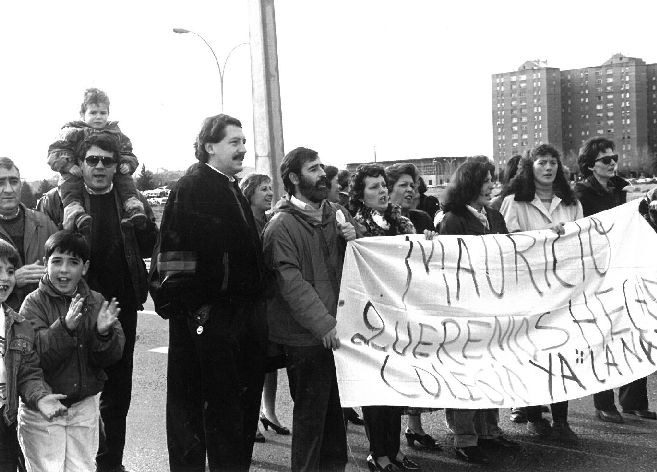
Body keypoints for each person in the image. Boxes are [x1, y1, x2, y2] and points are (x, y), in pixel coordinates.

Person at [37, 133, 157, 472]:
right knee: (71, 390)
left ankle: (110, 464)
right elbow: (44, 253)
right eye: (93, 160)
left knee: (118, 392)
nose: (100, 166)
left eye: (107, 160)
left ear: (116, 165)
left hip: (121, 308)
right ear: (80, 163)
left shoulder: (130, 199)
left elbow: (151, 245)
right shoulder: (57, 200)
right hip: (73, 307)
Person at [158, 114, 268, 471]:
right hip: (206, 320)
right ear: (210, 146)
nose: (243, 148)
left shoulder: (228, 185)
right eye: (234, 141)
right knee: (194, 413)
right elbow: (173, 258)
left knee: (231, 415)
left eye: (243, 141)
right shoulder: (191, 187)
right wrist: (195, 309)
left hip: (236, 320)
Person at [262, 147, 356, 471]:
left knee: (335, 420)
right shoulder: (281, 227)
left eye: (321, 168)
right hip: (306, 339)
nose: (321, 175)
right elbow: (291, 284)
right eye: (313, 169)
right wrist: (324, 325)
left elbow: (358, 265)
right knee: (311, 422)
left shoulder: (336, 215)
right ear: (293, 178)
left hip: (335, 333)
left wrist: (353, 238)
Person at [18, 230, 125, 471]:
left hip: (83, 407)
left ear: (84, 268)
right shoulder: (32, 304)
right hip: (42, 409)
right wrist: (65, 328)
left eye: (73, 263)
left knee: (82, 467)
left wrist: (104, 334)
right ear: (46, 264)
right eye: (57, 261)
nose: (64, 270)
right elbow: (36, 357)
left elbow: (110, 356)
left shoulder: (96, 301)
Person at [500, 143, 582, 442]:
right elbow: (505, 243)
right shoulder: (515, 201)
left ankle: (561, 419)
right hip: (528, 289)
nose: (548, 168)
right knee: (532, 351)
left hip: (562, 288)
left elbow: (582, 240)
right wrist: (545, 235)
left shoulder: (571, 202)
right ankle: (534, 413)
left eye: (553, 163)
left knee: (563, 349)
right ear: (530, 167)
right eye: (542, 163)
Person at [439, 160, 517, 464]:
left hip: (494, 308)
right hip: (465, 310)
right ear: (469, 184)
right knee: (467, 374)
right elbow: (446, 268)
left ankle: (489, 432)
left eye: (492, 180)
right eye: (485, 180)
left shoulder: (495, 216)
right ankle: (465, 437)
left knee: (491, 371)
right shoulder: (453, 220)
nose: (491, 185)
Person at [575, 137, 656, 422]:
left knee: (637, 330)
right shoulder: (581, 194)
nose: (612, 164)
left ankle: (634, 400)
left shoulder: (624, 189)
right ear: (589, 165)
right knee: (605, 337)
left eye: (614, 158)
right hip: (599, 274)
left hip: (628, 267)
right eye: (605, 160)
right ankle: (603, 403)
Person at [348, 164, 421, 472]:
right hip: (370, 319)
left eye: (382, 185)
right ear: (361, 195)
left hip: (400, 315)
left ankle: (395, 450)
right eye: (373, 187)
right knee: (375, 388)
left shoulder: (402, 221)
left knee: (396, 385)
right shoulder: (357, 226)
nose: (380, 191)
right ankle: (378, 454)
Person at [0, 239, 68, 470]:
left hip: (3, 423)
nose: (5, 278)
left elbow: (27, 372)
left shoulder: (18, 324)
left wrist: (40, 397)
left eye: (10, 271)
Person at [47, 88, 146, 233]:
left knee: (125, 179)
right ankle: (75, 213)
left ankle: (133, 208)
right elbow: (54, 153)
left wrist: (127, 164)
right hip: (76, 170)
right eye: (93, 113)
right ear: (82, 115)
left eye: (103, 113)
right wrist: (68, 165)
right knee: (69, 184)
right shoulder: (72, 132)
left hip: (111, 171)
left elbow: (128, 152)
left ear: (108, 114)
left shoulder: (115, 133)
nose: (98, 117)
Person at [238, 173, 288, 443]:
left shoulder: (269, 220)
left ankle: (269, 413)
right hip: (255, 304)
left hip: (271, 303)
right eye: (263, 189)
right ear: (249, 192)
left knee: (271, 363)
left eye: (271, 188)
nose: (269, 193)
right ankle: (252, 417)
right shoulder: (245, 222)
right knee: (254, 365)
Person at [0, 157, 57, 311]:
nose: (8, 189)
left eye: (13, 181)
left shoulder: (44, 223)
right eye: (1, 183)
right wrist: (11, 279)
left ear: (20, 184)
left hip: (42, 317)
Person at [385, 163, 434, 233]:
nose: (410, 189)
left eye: (412, 186)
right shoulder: (377, 223)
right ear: (389, 190)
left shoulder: (423, 219)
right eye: (403, 185)